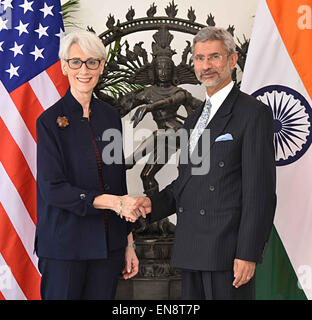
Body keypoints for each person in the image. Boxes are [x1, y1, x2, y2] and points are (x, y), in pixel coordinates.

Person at [138, 26, 276, 300]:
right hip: (191, 250)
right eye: (200, 58)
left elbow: (260, 193)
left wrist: (247, 254)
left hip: (227, 254)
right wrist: (151, 204)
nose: (206, 66)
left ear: (232, 60)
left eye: (214, 57)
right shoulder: (194, 118)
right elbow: (186, 184)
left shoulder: (253, 113)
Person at [35, 30, 148, 300]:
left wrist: (128, 242)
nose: (84, 70)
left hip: (107, 248)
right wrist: (112, 203)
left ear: (101, 66)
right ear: (64, 66)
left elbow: (118, 182)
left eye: (92, 62)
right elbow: (53, 189)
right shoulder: (49, 122)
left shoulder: (110, 117)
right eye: (76, 62)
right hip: (65, 249)